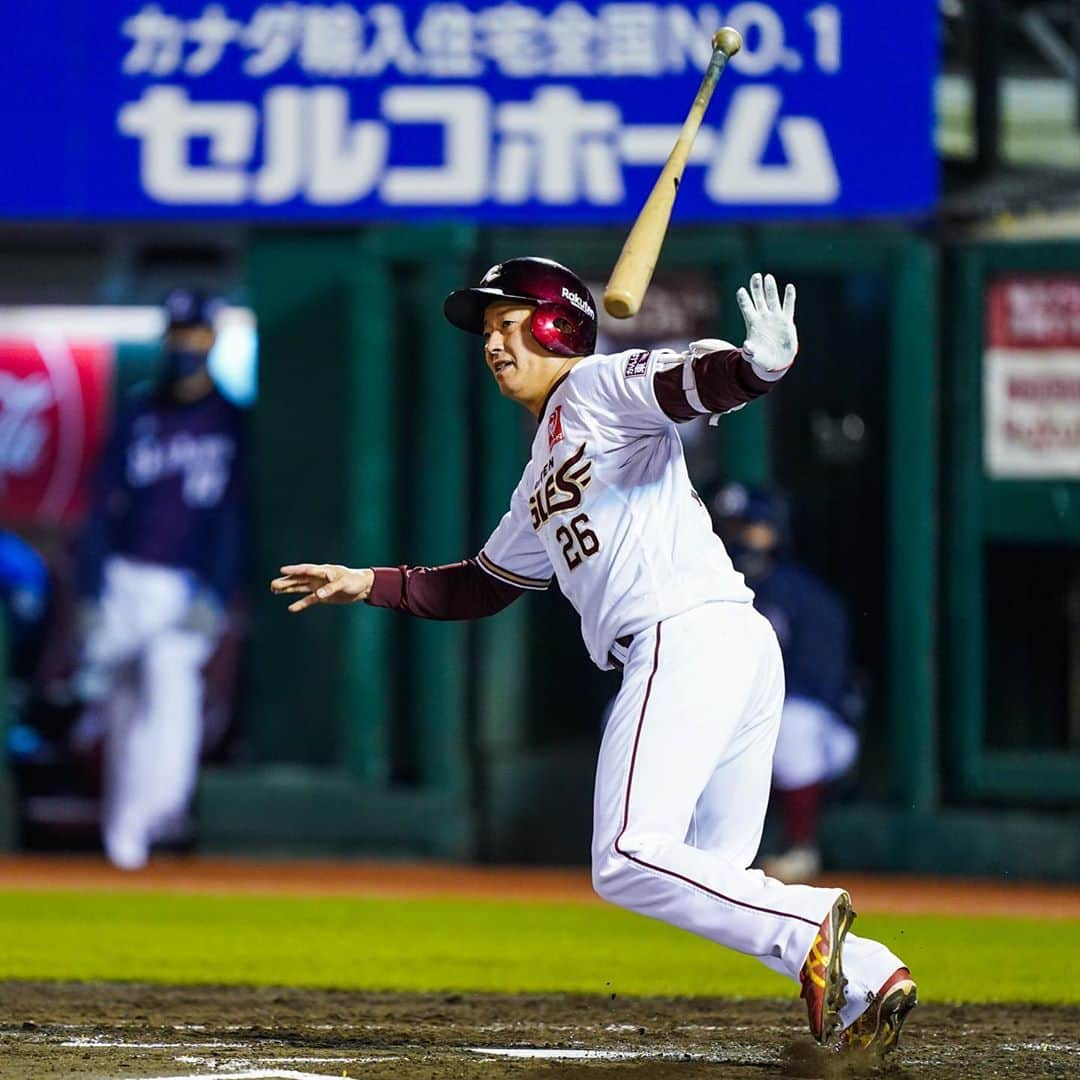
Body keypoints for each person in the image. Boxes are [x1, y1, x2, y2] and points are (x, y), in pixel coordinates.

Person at [270, 259, 917, 1055]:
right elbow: (478, 585)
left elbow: (692, 385)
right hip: (727, 646)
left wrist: (759, 366)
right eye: (487, 333)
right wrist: (364, 580)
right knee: (709, 870)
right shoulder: (539, 472)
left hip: (683, 636)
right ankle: (868, 977)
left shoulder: (598, 387)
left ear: (558, 324)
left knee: (625, 858)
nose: (494, 345)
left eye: (510, 325)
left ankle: (815, 924)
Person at [77, 288, 247, 870]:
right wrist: (89, 589)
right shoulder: (139, 413)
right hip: (125, 578)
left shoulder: (232, 421)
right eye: (178, 335)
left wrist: (217, 592)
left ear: (213, 340)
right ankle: (128, 834)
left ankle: (159, 813)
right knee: (124, 709)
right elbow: (100, 508)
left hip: (185, 584)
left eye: (195, 336)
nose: (185, 347)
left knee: (168, 675)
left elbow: (235, 519)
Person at [712, 484, 859, 884]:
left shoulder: (806, 595)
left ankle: (801, 848)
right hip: (736, 722)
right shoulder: (705, 589)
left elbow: (817, 685)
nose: (739, 536)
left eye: (750, 525)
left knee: (792, 725)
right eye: (731, 526)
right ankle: (689, 852)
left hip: (822, 735)